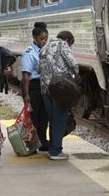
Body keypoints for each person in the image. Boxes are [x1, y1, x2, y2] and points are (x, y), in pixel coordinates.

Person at [39, 30, 79, 160]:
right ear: (68, 40)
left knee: (52, 119)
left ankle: (52, 148)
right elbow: (73, 64)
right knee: (60, 119)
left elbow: (39, 67)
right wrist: (75, 74)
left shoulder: (44, 46)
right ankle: (56, 151)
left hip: (45, 89)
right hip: (59, 89)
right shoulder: (63, 44)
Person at [21, 22, 49, 152]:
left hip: (44, 87)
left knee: (44, 116)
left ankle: (42, 142)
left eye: (45, 39)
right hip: (34, 87)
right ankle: (32, 143)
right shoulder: (29, 53)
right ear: (35, 38)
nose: (44, 41)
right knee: (34, 117)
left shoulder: (44, 51)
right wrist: (26, 95)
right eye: (41, 39)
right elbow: (26, 75)